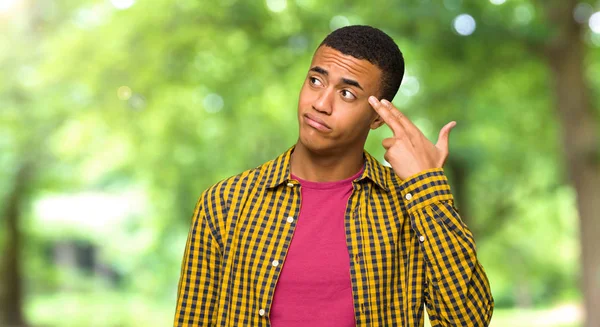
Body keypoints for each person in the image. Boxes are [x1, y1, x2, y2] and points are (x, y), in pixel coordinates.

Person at [173, 25, 494, 327]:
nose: (321, 104)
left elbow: (467, 320)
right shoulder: (226, 202)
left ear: (377, 117)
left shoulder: (409, 207)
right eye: (316, 81)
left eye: (347, 94)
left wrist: (426, 186)